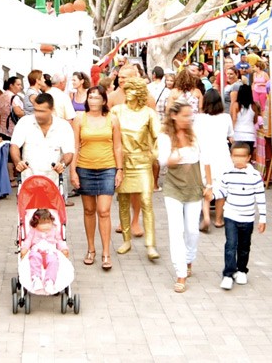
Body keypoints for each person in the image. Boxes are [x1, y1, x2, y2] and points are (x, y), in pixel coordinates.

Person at [158, 100, 211, 292]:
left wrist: (209, 185)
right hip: (173, 187)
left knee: (192, 230)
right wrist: (172, 159)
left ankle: (189, 259)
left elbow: (205, 160)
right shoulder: (165, 136)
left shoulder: (195, 135)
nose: (189, 119)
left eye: (191, 115)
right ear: (174, 116)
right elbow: (162, 160)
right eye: (185, 115)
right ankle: (180, 273)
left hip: (194, 186)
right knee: (176, 230)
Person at [72, 85, 123, 270]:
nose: (93, 100)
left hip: (107, 168)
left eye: (97, 97)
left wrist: (119, 169)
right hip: (84, 167)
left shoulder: (112, 119)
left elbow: (118, 146)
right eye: (90, 97)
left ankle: (106, 252)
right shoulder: (79, 119)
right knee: (88, 210)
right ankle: (91, 249)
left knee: (104, 210)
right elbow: (75, 146)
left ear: (103, 100)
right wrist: (72, 171)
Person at [112, 77, 161, 260]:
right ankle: (126, 240)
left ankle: (151, 244)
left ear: (139, 92)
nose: (128, 91)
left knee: (147, 202)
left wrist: (154, 155)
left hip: (142, 163)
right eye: (127, 88)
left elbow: (158, 137)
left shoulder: (149, 113)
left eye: (133, 88)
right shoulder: (116, 111)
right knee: (123, 202)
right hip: (123, 164)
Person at [214, 142, 267, 290]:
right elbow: (222, 193)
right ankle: (228, 274)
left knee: (244, 246)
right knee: (230, 245)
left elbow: (260, 197)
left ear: (249, 157)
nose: (238, 159)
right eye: (235, 156)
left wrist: (262, 218)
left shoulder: (255, 176)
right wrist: (210, 195)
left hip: (248, 218)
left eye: (242, 156)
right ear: (231, 157)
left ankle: (242, 270)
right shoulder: (227, 174)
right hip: (231, 216)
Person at [10, 93, 76, 187]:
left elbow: (69, 152)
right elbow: (14, 145)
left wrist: (62, 164)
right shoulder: (24, 122)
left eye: (42, 111)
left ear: (52, 109)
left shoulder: (63, 126)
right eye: (36, 110)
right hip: (29, 181)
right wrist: (18, 162)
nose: (38, 114)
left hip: (54, 182)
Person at [195, 89, 233, 230]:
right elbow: (230, 135)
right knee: (222, 188)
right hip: (222, 155)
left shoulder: (199, 118)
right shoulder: (226, 117)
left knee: (205, 186)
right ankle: (218, 219)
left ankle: (205, 217)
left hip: (204, 155)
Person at [19, 209, 69, 293]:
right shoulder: (33, 230)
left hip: (50, 251)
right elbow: (28, 241)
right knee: (34, 258)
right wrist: (24, 249)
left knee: (54, 261)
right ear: (35, 223)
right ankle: (36, 278)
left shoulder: (54, 230)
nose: (46, 226)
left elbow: (59, 240)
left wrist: (64, 249)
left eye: (48, 223)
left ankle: (49, 281)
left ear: (52, 222)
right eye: (42, 223)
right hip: (36, 251)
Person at [231, 84, 259, 151]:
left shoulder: (235, 105)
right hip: (250, 134)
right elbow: (255, 120)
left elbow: (234, 119)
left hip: (237, 133)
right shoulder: (254, 105)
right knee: (249, 155)